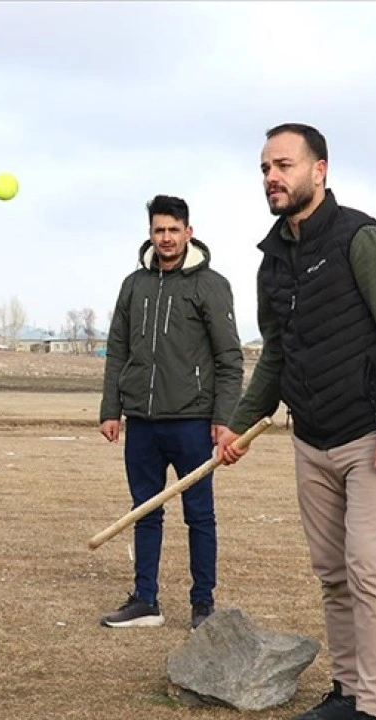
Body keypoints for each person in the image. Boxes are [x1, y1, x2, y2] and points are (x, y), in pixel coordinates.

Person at [218, 123, 376, 720]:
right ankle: (346, 691)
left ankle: (373, 708)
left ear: (319, 170)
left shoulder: (361, 239)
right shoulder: (272, 261)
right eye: (265, 168)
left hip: (371, 435)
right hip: (310, 439)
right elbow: (277, 353)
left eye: (283, 165)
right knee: (334, 574)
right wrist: (240, 422)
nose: (271, 177)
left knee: (369, 569)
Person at [98, 194, 245, 631]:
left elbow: (229, 358)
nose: (166, 238)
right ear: (150, 233)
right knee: (144, 510)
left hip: (192, 421)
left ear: (188, 232)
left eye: (173, 230)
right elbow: (117, 350)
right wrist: (111, 409)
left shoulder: (210, 285)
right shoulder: (134, 285)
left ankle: (203, 605)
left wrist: (223, 418)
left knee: (199, 515)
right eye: (159, 230)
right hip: (142, 422)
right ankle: (145, 600)